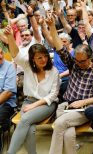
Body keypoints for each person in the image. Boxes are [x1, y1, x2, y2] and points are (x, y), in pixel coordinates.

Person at [46, 14, 93, 154]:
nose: (78, 64)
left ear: (89, 58)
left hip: (83, 109)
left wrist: (82, 102)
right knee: (68, 134)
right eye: (77, 61)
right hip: (66, 106)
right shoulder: (75, 65)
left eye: (82, 61)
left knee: (60, 124)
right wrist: (52, 27)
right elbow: (60, 49)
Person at [5, 25, 59, 154]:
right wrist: (10, 37)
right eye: (39, 57)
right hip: (29, 102)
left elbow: (52, 95)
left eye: (45, 56)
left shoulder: (54, 71)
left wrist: (34, 105)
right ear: (32, 59)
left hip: (47, 104)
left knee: (24, 120)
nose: (43, 60)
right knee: (30, 128)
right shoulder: (28, 66)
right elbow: (16, 56)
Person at [0, 48, 16, 152]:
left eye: (1, 53)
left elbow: (8, 92)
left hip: (6, 103)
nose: (0, 56)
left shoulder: (9, 66)